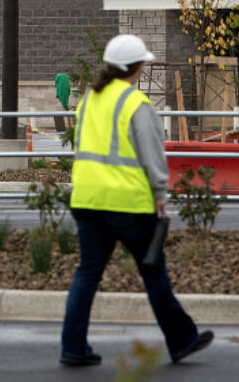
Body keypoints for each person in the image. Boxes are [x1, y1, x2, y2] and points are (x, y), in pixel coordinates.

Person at [60, 34, 214, 367]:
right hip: (128, 204)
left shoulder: (88, 100)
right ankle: (182, 340)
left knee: (87, 273)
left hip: (86, 199)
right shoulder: (135, 104)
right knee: (154, 273)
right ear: (138, 67)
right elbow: (152, 155)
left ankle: (72, 347)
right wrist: (160, 193)